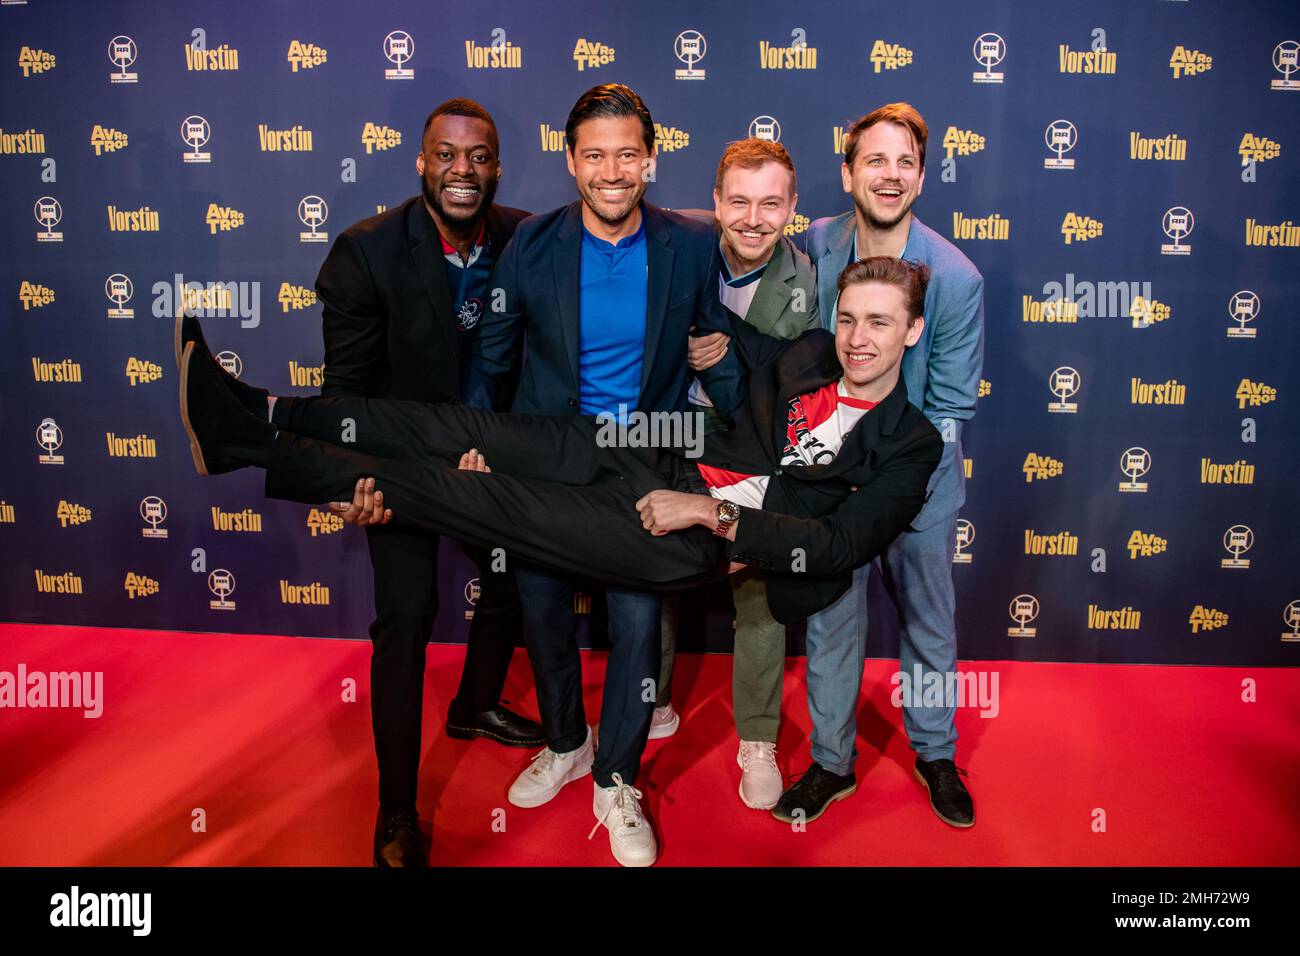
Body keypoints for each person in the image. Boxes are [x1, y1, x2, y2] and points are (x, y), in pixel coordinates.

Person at [176, 256, 944, 860]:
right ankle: (260, 407)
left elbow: (839, 545)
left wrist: (712, 515)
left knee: (485, 501)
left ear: (911, 331)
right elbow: (724, 326)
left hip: (689, 537)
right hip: (663, 447)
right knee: (469, 430)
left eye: (879, 323)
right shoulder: (811, 354)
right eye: (849, 318)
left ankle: (247, 448)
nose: (857, 338)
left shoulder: (911, 443)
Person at [461, 83, 744, 866]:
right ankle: (566, 742)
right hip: (547, 460)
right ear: (569, 160)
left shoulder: (691, 245)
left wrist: (746, 426)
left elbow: (712, 344)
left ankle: (617, 777)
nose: (611, 171)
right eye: (595, 155)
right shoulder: (533, 244)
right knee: (544, 612)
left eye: (627, 154)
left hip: (644, 461)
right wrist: (479, 442)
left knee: (636, 625)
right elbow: (493, 357)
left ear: (650, 159)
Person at [313, 98, 543, 867]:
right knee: (406, 619)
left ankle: (474, 705)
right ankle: (396, 809)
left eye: (477, 156)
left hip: (489, 459)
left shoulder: (525, 238)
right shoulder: (366, 253)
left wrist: (499, 450)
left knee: (515, 574)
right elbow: (346, 393)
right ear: (421, 163)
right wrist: (354, 478)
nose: (461, 170)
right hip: (400, 468)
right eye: (446, 155)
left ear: (497, 166)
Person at [778, 102, 985, 828]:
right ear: (848, 172)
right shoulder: (814, 244)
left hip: (919, 486)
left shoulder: (955, 278)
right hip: (831, 481)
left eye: (905, 162)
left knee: (928, 622)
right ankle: (831, 763)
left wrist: (887, 488)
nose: (890, 175)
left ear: (922, 177)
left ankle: (936, 753)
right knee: (832, 623)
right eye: (875, 159)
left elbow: (950, 407)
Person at [656, 138, 820, 813]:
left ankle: (756, 737)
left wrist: (724, 365)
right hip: (668, 438)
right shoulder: (678, 245)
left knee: (757, 595)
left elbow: (795, 397)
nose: (754, 219)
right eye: (740, 202)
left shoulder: (808, 285)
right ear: (716, 201)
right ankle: (654, 702)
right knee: (653, 572)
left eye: (771, 204)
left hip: (752, 449)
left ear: (793, 207)